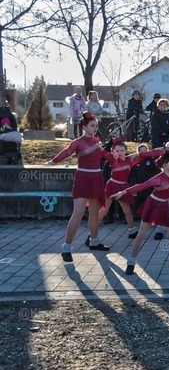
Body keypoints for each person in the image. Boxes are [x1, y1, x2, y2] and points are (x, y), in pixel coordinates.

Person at [46, 112, 111, 262]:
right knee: (79, 211)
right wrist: (54, 161)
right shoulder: (78, 142)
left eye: (96, 126)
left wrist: (108, 150)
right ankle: (66, 247)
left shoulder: (97, 142)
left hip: (96, 178)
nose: (95, 128)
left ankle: (94, 241)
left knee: (94, 212)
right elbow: (67, 151)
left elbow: (108, 158)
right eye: (92, 126)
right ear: (84, 127)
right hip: (83, 178)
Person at [112, 152, 169, 275]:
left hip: (163, 206)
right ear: (164, 165)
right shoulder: (158, 178)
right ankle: (131, 262)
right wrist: (124, 192)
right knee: (141, 234)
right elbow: (141, 186)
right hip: (152, 204)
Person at [98, 139, 164, 238]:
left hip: (123, 186)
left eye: (121, 150)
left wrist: (164, 149)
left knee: (127, 211)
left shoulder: (130, 159)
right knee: (104, 210)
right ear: (113, 151)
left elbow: (148, 154)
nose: (119, 153)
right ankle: (92, 232)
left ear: (126, 150)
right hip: (112, 185)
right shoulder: (112, 159)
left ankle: (131, 231)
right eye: (117, 151)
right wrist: (94, 142)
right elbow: (103, 151)